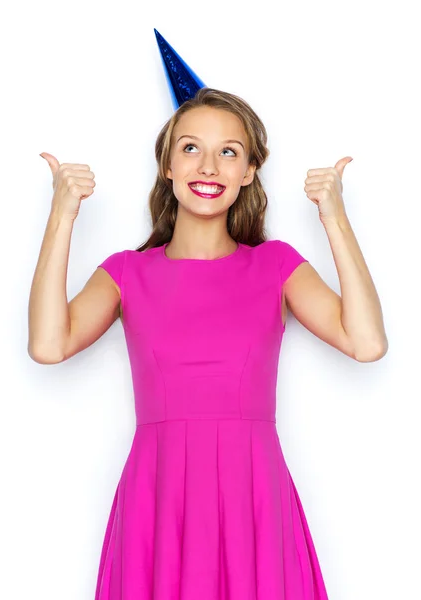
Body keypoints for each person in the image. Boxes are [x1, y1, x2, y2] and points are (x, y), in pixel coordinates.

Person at [29, 87, 387, 599]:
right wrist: (62, 215)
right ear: (168, 166)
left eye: (229, 152)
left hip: (253, 491)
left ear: (248, 173)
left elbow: (367, 341)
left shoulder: (276, 266)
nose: (210, 167)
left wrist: (333, 216)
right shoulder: (126, 274)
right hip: (160, 492)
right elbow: (48, 344)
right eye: (192, 148)